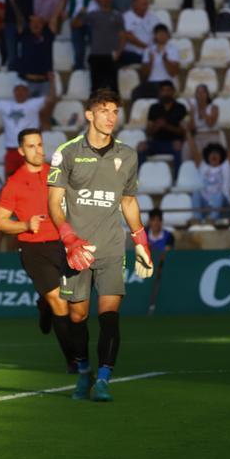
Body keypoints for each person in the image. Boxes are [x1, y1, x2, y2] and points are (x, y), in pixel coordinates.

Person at [47, 88, 153, 402]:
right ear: (89, 114)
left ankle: (104, 378)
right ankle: (83, 371)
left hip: (110, 248)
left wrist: (141, 241)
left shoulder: (128, 155)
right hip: (74, 251)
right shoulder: (66, 152)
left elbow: (129, 202)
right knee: (77, 317)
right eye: (104, 111)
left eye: (115, 112)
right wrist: (69, 238)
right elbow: (54, 203)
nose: (110, 118)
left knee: (109, 315)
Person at [0, 128, 78, 370]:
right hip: (33, 250)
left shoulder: (55, 173)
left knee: (73, 305)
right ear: (21, 151)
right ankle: (74, 360)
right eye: (31, 146)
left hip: (60, 245)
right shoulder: (15, 182)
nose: (38, 150)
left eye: (40, 144)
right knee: (60, 302)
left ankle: (44, 305)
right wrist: (25, 224)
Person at [0, 74, 56, 176]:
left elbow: (51, 98)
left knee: (31, 179)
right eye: (17, 90)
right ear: (14, 92)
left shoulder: (34, 103)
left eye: (23, 90)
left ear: (27, 92)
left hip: (29, 150)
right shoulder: (6, 105)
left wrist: (52, 82)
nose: (20, 93)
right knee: (11, 180)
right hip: (11, 150)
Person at [73, 0, 126, 94]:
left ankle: (113, 110)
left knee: (113, 88)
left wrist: (118, 52)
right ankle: (94, 110)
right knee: (95, 89)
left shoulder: (117, 15)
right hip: (96, 56)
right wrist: (80, 13)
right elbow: (75, 25)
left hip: (111, 56)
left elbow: (123, 36)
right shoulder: (93, 15)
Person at [13, 0, 63, 97]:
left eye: (39, 22)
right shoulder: (24, 35)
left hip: (44, 82)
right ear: (29, 24)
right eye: (33, 22)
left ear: (43, 24)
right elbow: (18, 17)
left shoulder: (48, 35)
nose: (36, 25)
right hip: (26, 83)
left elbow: (55, 16)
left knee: (44, 112)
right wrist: (12, 0)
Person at [140, 81, 186, 176]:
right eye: (163, 91)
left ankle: (177, 179)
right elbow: (149, 132)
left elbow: (183, 131)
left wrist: (167, 126)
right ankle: (140, 178)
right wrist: (157, 126)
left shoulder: (180, 108)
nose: (166, 93)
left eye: (168, 90)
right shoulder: (154, 108)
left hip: (173, 143)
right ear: (160, 93)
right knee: (141, 147)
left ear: (173, 92)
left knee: (179, 149)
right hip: (156, 143)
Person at [187, 136, 230, 223]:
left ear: (221, 156)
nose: (214, 155)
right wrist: (188, 133)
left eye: (216, 153)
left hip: (224, 207)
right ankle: (197, 219)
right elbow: (194, 150)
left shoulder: (225, 166)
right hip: (207, 205)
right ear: (207, 156)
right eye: (211, 153)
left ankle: (212, 219)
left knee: (219, 194)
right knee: (196, 192)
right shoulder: (203, 167)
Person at [129, 24, 179, 102]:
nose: (162, 35)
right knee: (136, 92)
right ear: (155, 36)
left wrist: (165, 60)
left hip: (167, 82)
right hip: (151, 83)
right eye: (159, 33)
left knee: (161, 92)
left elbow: (173, 72)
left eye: (164, 33)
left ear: (167, 35)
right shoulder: (148, 50)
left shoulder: (173, 49)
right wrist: (151, 62)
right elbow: (144, 74)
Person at [119, 0, 159, 66]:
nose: (146, 7)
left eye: (147, 4)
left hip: (150, 51)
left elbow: (159, 32)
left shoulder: (153, 17)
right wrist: (146, 46)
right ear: (134, 5)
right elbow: (128, 36)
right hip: (132, 53)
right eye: (143, 4)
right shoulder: (126, 17)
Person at [186, 84, 221, 157]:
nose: (200, 95)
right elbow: (192, 129)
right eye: (198, 93)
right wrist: (192, 114)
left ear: (207, 95)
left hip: (211, 136)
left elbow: (210, 124)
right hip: (197, 136)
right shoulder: (192, 109)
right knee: (187, 147)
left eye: (203, 92)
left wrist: (204, 113)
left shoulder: (214, 107)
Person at [2, 0, 32, 70]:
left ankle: (25, 77)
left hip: (26, 23)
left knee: (26, 55)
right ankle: (12, 79)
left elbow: (29, 5)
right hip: (10, 24)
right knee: (12, 58)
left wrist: (21, 22)